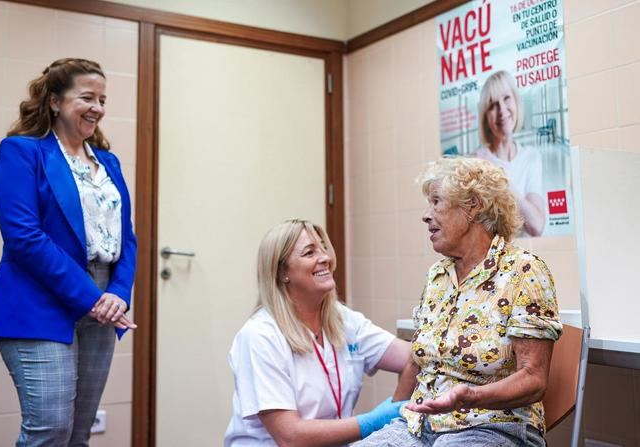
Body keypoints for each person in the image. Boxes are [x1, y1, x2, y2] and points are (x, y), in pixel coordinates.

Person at [0, 58, 137, 446]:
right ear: (54, 102)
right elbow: (24, 237)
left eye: (102, 99)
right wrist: (92, 297)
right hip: (40, 298)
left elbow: (126, 236)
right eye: (87, 97)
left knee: (78, 433)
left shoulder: (108, 162)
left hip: (102, 300)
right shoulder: (22, 152)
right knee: (50, 428)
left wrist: (117, 292)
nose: (97, 107)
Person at [357, 158, 562, 447]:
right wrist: (394, 415)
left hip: (492, 427)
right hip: (420, 426)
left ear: (473, 206)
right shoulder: (437, 276)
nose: (426, 216)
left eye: (436, 202)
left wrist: (470, 396)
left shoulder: (523, 271)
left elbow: (533, 380)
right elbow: (417, 362)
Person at [224, 219, 411, 446]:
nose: (325, 257)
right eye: (309, 252)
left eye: (323, 247)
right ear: (282, 272)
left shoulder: (344, 320)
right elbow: (290, 437)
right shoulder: (260, 337)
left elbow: (415, 356)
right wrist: (373, 422)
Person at [474, 70, 545, 237]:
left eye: (506, 98)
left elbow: (536, 226)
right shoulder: (477, 163)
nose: (502, 110)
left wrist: (500, 180)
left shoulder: (531, 156)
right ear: (486, 117)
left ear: (516, 102)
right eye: (492, 105)